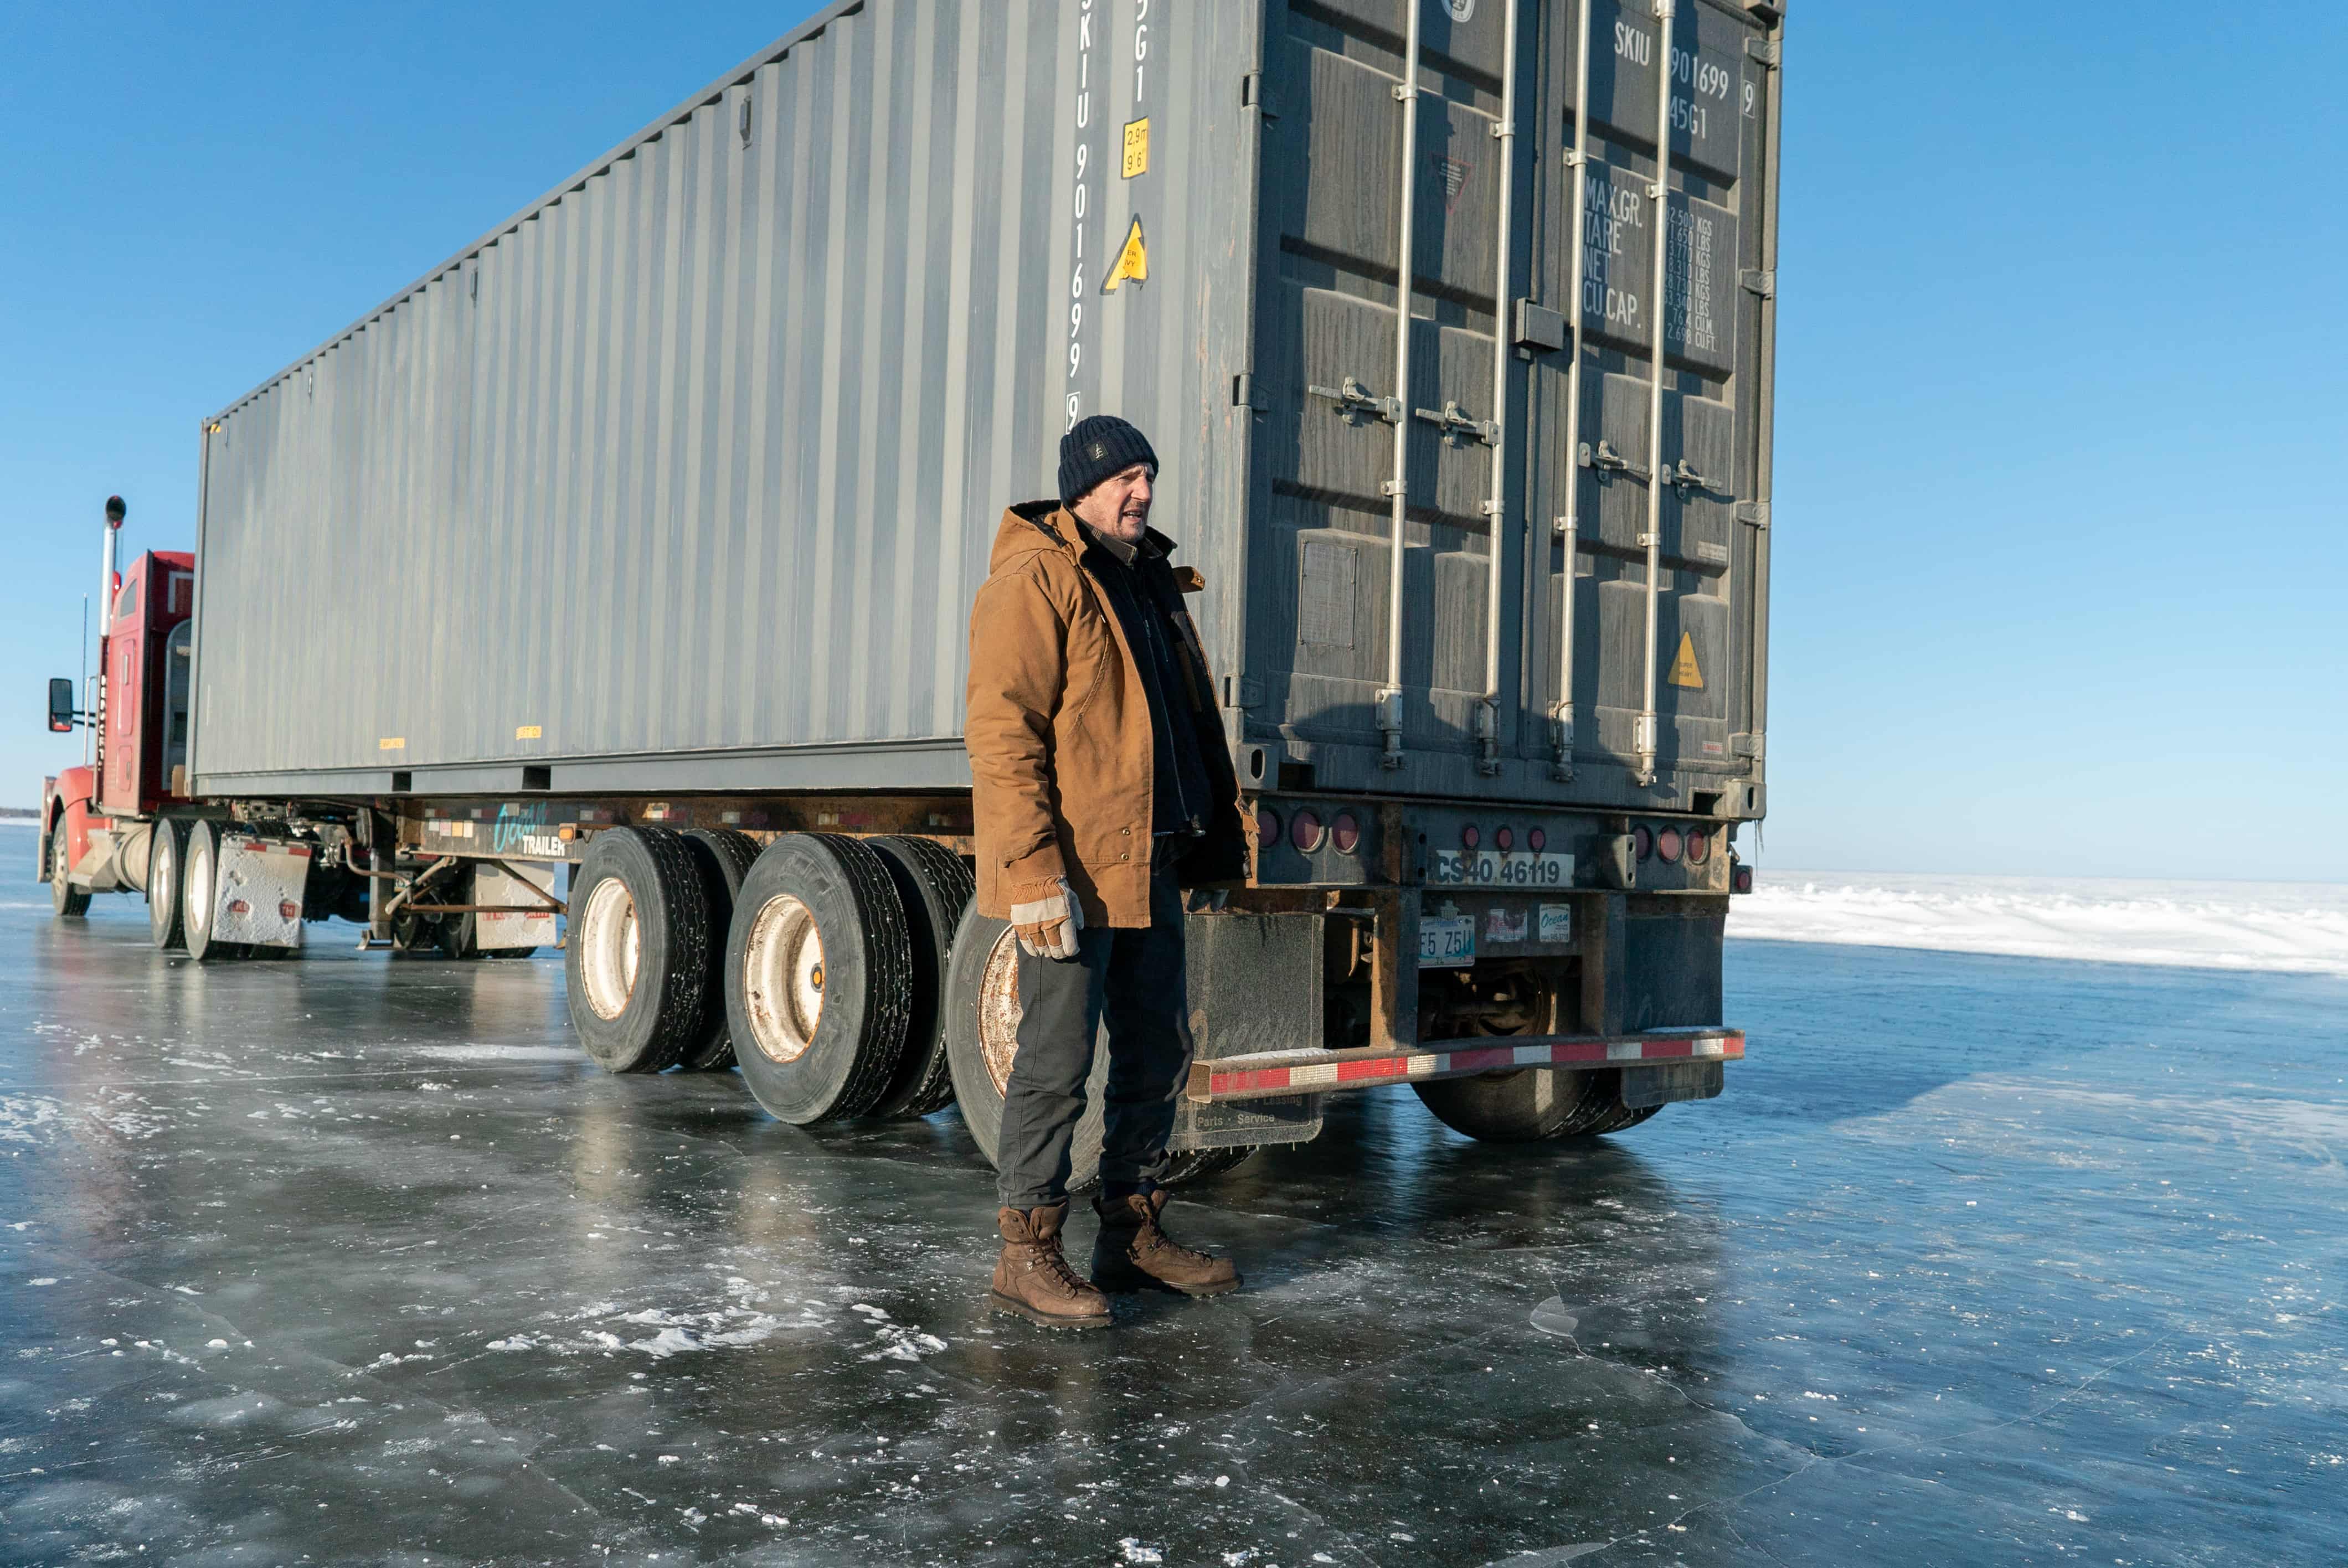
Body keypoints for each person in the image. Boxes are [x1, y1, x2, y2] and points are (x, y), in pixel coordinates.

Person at [963, 414, 1254, 1329]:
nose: (1143, 493)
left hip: (1149, 863)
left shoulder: (1143, 579)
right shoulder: (1036, 579)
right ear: (1080, 487)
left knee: (1157, 1054)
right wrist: (1031, 871)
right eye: (1126, 477)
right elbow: (1003, 737)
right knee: (1055, 1065)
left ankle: (1129, 1234)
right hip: (1075, 876)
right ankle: (1026, 1252)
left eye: (1149, 476)